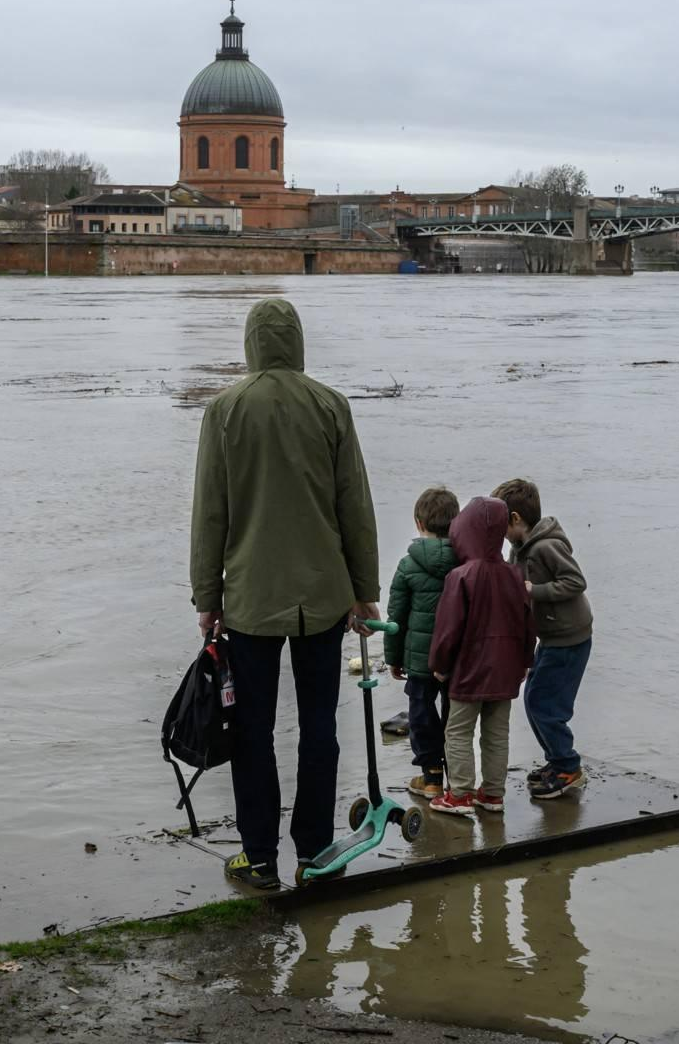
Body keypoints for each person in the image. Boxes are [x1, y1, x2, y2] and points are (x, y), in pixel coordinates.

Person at [190, 298, 380, 889]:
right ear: (297, 341)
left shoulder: (225, 410)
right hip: (324, 596)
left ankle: (260, 856)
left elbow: (210, 513)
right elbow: (355, 505)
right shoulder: (332, 406)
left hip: (250, 600)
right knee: (320, 726)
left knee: (254, 731)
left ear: (250, 344)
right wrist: (364, 590)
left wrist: (206, 597)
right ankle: (316, 851)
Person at [426, 496, 534, 816]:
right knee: (497, 733)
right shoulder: (514, 575)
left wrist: (440, 666)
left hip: (469, 670)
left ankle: (459, 794)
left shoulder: (461, 576)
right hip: (505, 669)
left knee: (458, 731)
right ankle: (493, 794)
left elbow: (448, 630)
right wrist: (526, 661)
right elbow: (530, 624)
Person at [492, 478, 593, 799]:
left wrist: (535, 590)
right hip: (549, 638)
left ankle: (569, 767)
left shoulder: (548, 546)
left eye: (501, 524)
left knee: (545, 705)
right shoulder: (518, 549)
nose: (499, 532)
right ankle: (557, 761)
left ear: (516, 519)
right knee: (534, 699)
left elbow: (576, 581)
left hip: (570, 638)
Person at [384, 486, 460, 799]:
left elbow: (395, 617)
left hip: (419, 658)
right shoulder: (464, 562)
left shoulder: (408, 565)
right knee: (455, 714)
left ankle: (430, 777)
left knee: (420, 711)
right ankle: (459, 776)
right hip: (456, 657)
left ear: (418, 523)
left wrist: (393, 658)